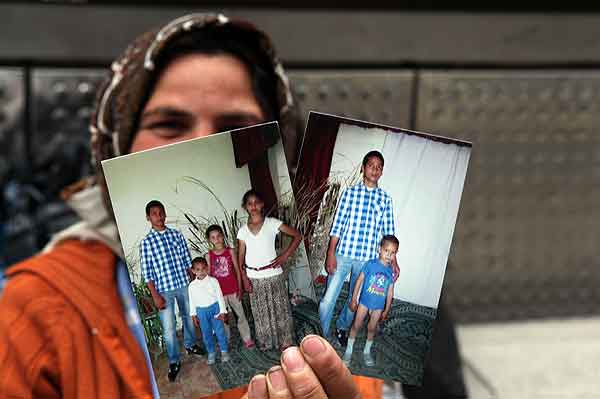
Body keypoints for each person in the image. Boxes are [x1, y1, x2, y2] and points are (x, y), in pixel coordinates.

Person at [0, 12, 465, 399]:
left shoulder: (329, 309)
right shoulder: (33, 310)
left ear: (279, 143)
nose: (205, 144)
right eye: (169, 123)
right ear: (116, 146)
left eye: (236, 123)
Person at [319, 150, 399, 346]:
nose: (375, 169)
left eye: (379, 167)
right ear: (363, 168)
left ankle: (342, 327)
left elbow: (388, 233)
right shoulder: (349, 193)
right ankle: (323, 334)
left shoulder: (385, 199)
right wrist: (331, 253)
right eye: (371, 165)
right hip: (343, 254)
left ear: (382, 172)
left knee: (354, 300)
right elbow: (337, 225)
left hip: (367, 261)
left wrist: (394, 262)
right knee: (327, 300)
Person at [140, 199, 205, 381]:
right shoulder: (146, 243)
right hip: (163, 290)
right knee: (168, 328)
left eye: (161, 212)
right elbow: (148, 273)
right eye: (154, 213)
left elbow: (187, 262)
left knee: (188, 318)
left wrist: (193, 283)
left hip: (183, 284)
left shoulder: (177, 235)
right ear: (148, 217)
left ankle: (191, 345)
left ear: (165, 214)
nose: (159, 216)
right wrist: (155, 296)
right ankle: (174, 360)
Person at [237, 189, 301, 351]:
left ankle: (285, 340)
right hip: (253, 277)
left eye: (256, 202)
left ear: (262, 204)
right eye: (249, 203)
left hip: (273, 275)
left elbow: (297, 236)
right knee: (260, 311)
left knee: (279, 308)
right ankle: (266, 340)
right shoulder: (243, 231)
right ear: (245, 206)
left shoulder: (272, 223)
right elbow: (240, 256)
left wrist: (284, 256)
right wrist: (244, 278)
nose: (253, 206)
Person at [343, 235, 397, 367]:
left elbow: (390, 291)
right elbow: (359, 281)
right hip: (364, 303)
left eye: (393, 253)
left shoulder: (390, 271)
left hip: (378, 306)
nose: (389, 255)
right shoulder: (370, 264)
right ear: (380, 249)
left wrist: (386, 309)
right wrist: (354, 299)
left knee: (372, 328)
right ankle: (348, 351)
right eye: (386, 250)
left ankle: (367, 351)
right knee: (356, 325)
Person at [205, 223, 255, 348]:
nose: (216, 239)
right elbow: (209, 277)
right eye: (213, 237)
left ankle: (247, 337)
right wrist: (212, 295)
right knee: (223, 318)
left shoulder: (230, 251)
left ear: (223, 236)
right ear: (209, 240)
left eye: (218, 236)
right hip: (219, 294)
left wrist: (239, 287)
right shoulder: (208, 256)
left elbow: (237, 270)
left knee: (240, 315)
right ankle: (225, 339)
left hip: (233, 290)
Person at [189, 256, 230, 365]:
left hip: (215, 308)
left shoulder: (213, 281)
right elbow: (192, 301)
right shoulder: (192, 286)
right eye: (198, 270)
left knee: (219, 331)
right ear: (193, 271)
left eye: (203, 269)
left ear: (207, 268)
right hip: (201, 312)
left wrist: (222, 311)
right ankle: (211, 352)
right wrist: (193, 315)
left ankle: (224, 351)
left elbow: (220, 296)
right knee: (206, 333)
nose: (201, 272)